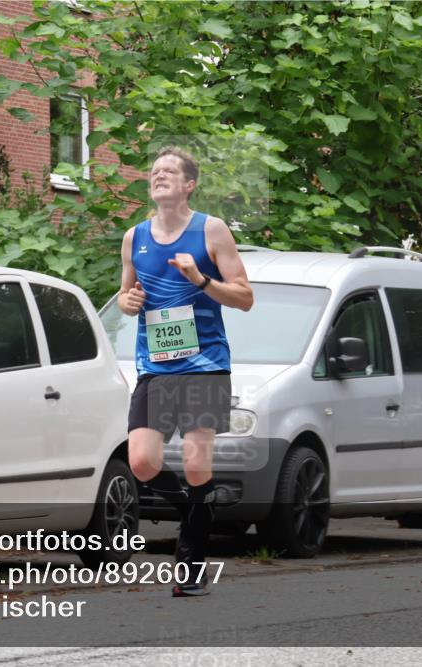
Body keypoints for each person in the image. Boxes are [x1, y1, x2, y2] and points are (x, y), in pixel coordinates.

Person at [118, 146, 253, 596]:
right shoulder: (134, 236)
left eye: (169, 172)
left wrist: (200, 279)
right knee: (142, 462)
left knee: (196, 465)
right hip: (155, 366)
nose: (158, 176)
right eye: (154, 171)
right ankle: (200, 506)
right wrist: (128, 302)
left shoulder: (211, 230)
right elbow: (125, 296)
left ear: (189, 184)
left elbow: (245, 297)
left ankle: (191, 567)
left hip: (205, 364)